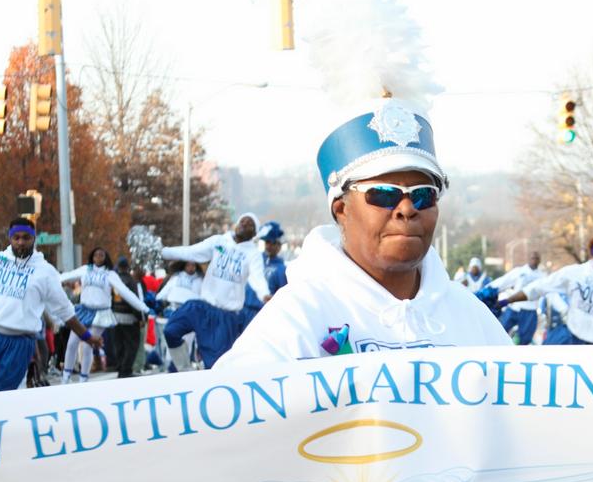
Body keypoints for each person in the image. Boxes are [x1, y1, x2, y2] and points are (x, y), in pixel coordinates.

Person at [216, 97, 511, 366]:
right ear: (341, 209)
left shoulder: (470, 316)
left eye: (423, 195)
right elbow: (226, 413)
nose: (407, 208)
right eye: (383, 194)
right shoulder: (300, 315)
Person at [0, 218, 103, 394]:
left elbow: (65, 310)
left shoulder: (45, 272)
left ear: (34, 239)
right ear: (9, 239)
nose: (21, 242)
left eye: (26, 237)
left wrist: (86, 336)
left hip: (17, 340)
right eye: (16, 237)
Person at [160, 213, 271, 370]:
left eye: (250, 224)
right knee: (171, 331)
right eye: (242, 221)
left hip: (224, 318)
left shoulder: (252, 254)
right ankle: (184, 370)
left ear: (254, 234)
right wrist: (163, 252)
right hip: (202, 307)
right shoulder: (219, 241)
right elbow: (191, 252)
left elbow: (257, 277)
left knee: (215, 366)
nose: (244, 224)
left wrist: (264, 294)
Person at [58, 247, 150, 383]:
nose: (98, 257)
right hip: (84, 310)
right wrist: (47, 280)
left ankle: (83, 378)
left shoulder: (110, 274)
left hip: (101, 313)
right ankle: (66, 377)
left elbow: (125, 292)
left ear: (105, 257)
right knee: (72, 343)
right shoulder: (85, 269)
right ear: (92, 257)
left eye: (101, 255)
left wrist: (143, 308)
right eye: (96, 255)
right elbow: (66, 276)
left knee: (88, 344)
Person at [487, 251, 546, 345]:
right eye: (532, 258)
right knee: (500, 330)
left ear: (539, 260)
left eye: (537, 258)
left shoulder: (542, 276)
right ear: (528, 259)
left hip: (529, 310)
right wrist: (488, 290)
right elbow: (503, 281)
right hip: (514, 307)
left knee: (525, 339)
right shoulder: (519, 271)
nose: (534, 260)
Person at [239, 221, 288, 330]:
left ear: (279, 246)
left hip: (261, 315)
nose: (269, 246)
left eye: (273, 243)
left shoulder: (282, 269)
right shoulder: (256, 259)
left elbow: (282, 296)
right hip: (243, 310)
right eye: (267, 242)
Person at [111, 257, 147, 379]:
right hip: (129, 318)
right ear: (127, 267)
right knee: (132, 344)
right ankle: (126, 369)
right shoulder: (130, 281)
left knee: (119, 344)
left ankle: (120, 367)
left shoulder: (114, 280)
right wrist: (141, 317)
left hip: (115, 317)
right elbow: (133, 301)